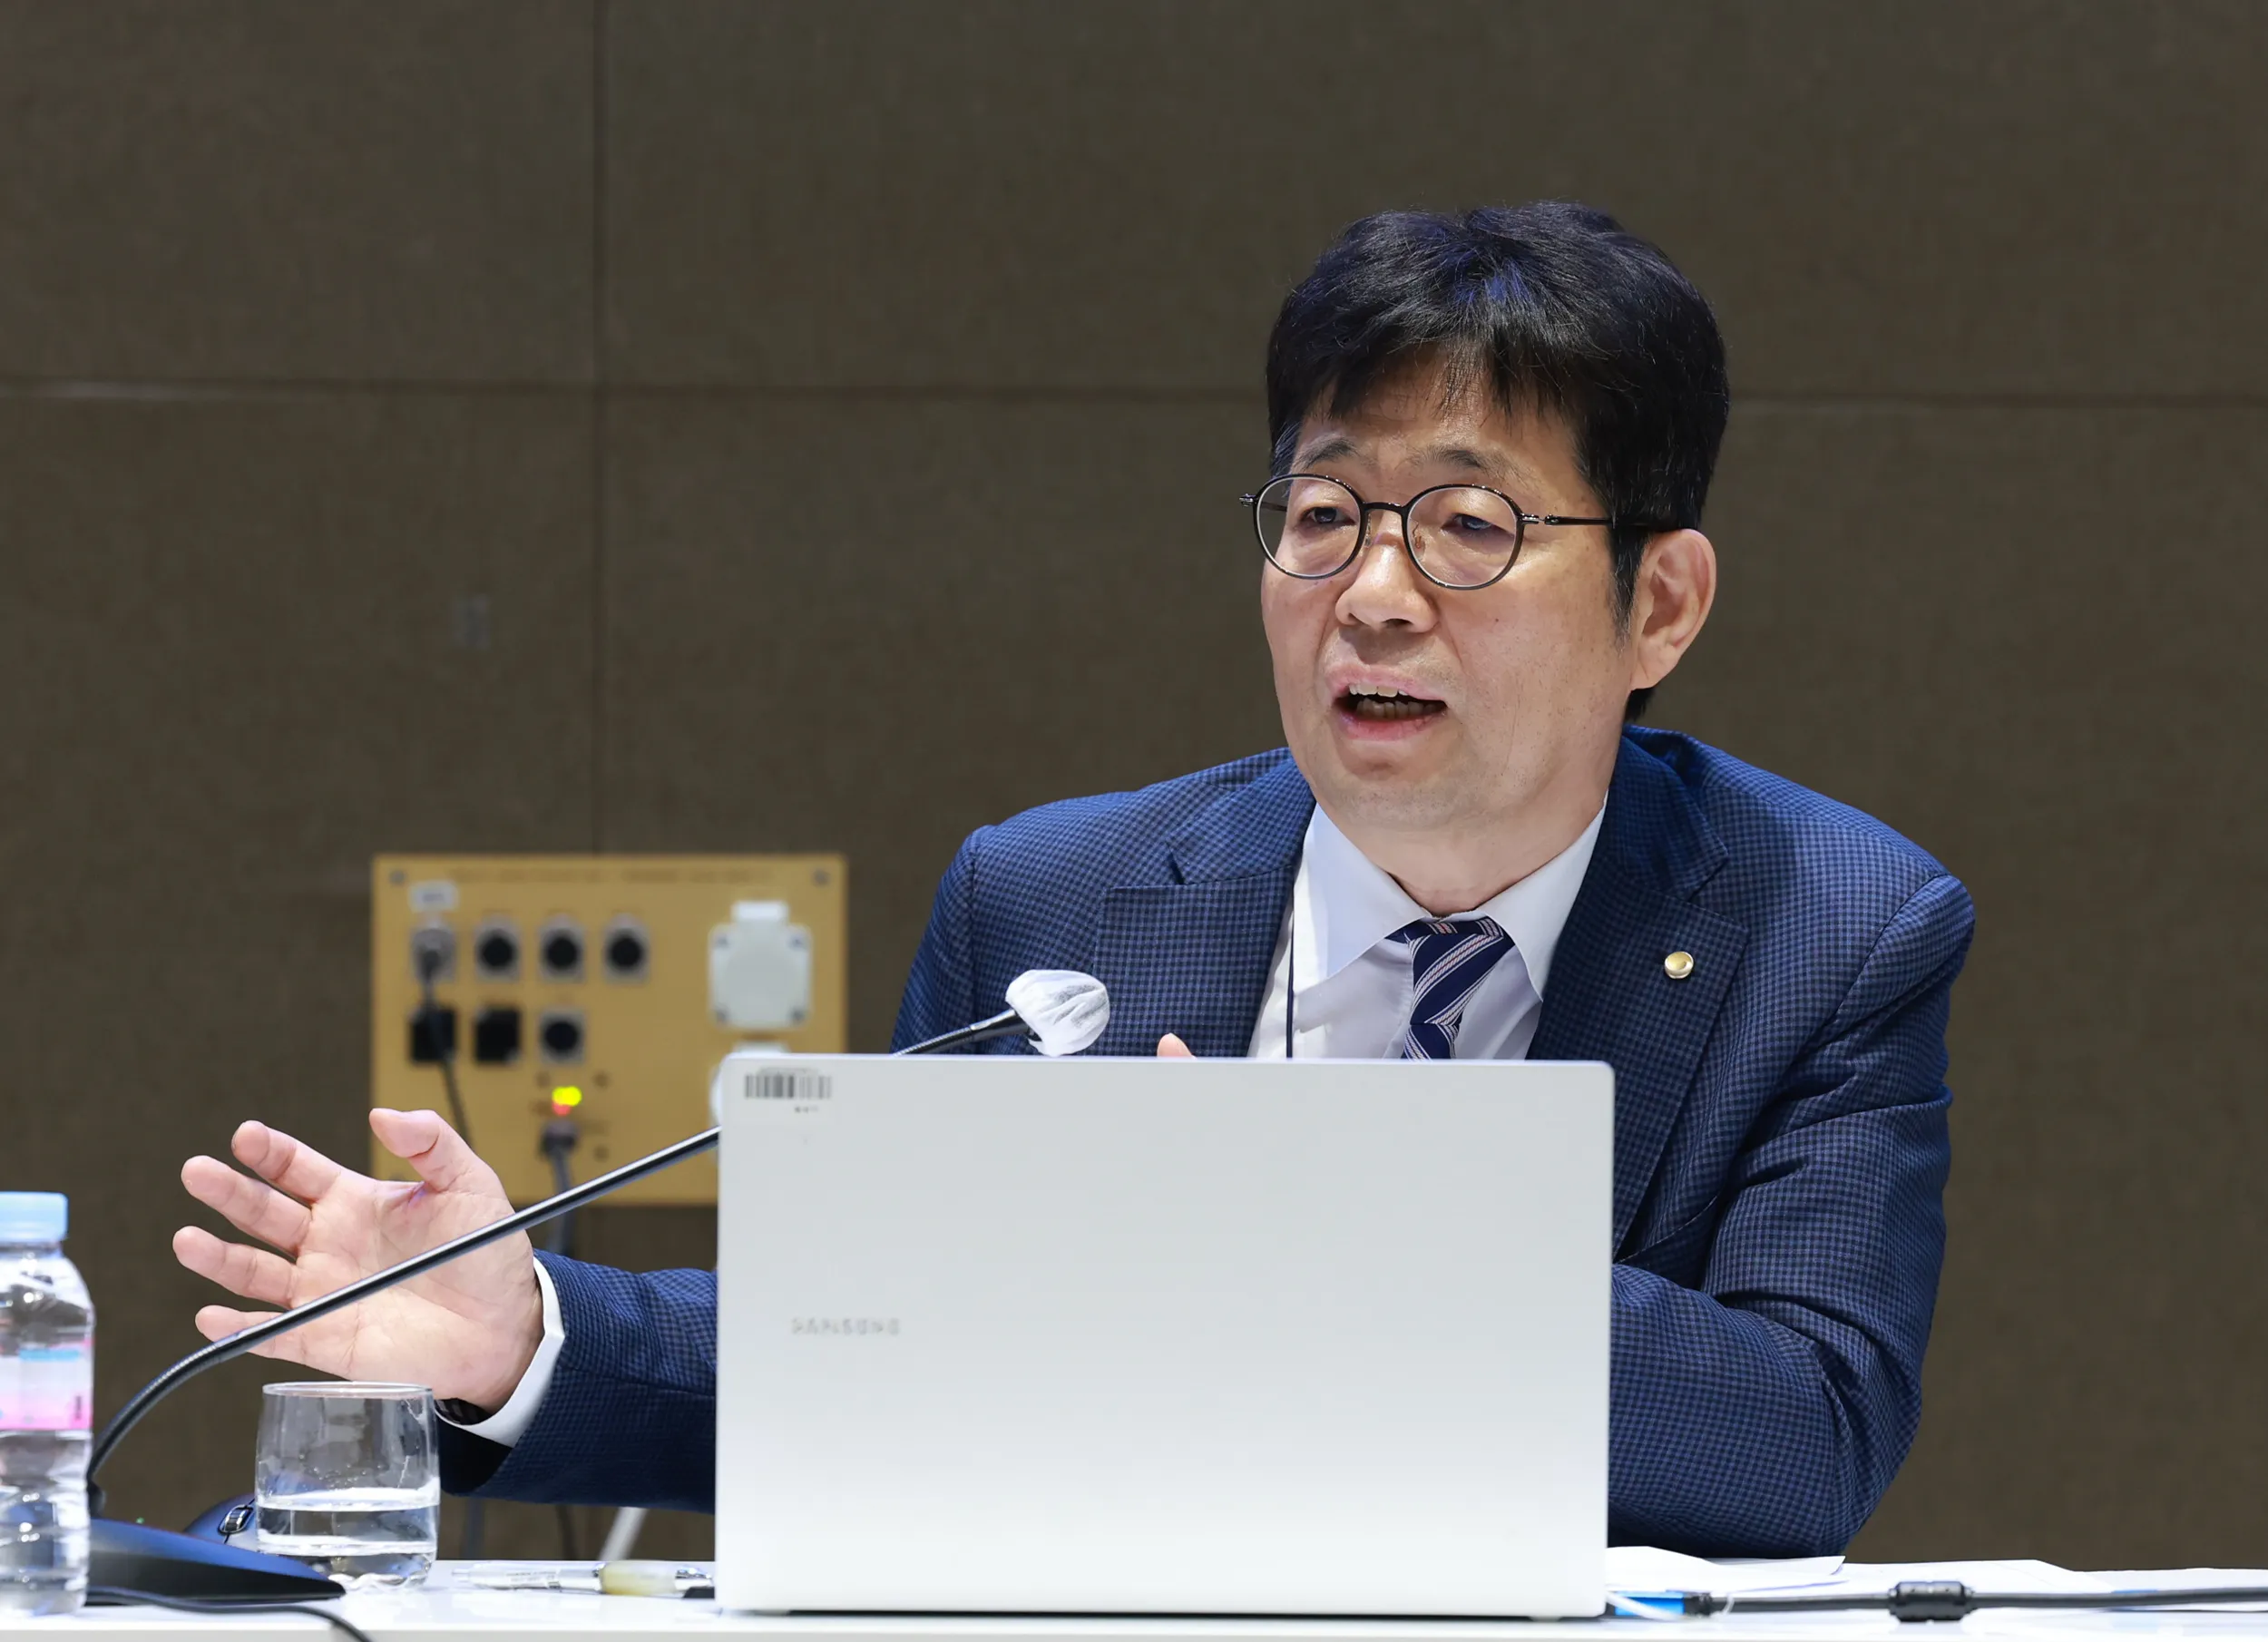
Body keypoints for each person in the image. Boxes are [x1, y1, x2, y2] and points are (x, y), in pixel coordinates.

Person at [173, 202, 1970, 1556]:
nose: (1369, 591)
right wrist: (527, 1333)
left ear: (1658, 600)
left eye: (1468, 522)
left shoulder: (1826, 926)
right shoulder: (1051, 903)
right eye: (1321, 511)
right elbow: (884, 1355)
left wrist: (1346, 1212)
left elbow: (1801, 1438)